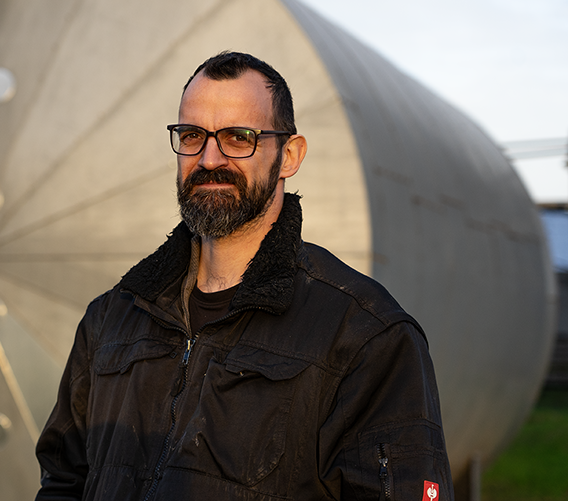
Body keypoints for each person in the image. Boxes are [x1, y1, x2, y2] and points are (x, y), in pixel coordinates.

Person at [35, 51, 453, 501]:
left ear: (289, 155)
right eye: (193, 135)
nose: (209, 158)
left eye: (239, 137)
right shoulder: (113, 319)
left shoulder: (365, 336)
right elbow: (63, 482)